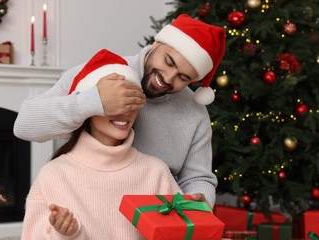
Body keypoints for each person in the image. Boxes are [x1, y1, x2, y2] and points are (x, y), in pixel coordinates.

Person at [17, 49, 241, 240]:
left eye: (132, 103)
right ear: (92, 107)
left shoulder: (155, 172)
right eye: (113, 104)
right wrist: (68, 238)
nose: (125, 111)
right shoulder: (53, 176)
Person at [14, 14, 226, 209]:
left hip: (151, 217)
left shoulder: (194, 113)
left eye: (183, 78)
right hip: (85, 202)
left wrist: (197, 201)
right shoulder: (102, 70)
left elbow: (198, 178)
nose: (168, 78)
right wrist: (93, 101)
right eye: (168, 62)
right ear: (157, 43)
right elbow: (24, 125)